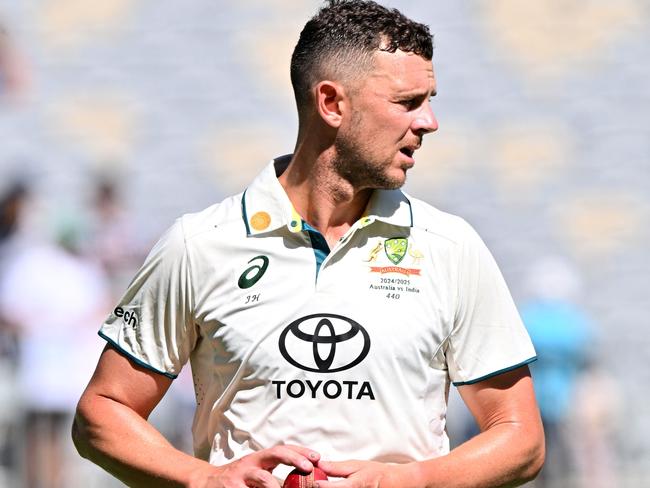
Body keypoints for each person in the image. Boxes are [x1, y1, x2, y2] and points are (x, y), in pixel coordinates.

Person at [73, 1, 545, 487]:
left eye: (429, 100)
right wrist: (204, 480)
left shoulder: (450, 247)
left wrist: (406, 481)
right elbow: (103, 411)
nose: (429, 122)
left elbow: (521, 439)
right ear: (332, 104)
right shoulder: (199, 244)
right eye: (408, 102)